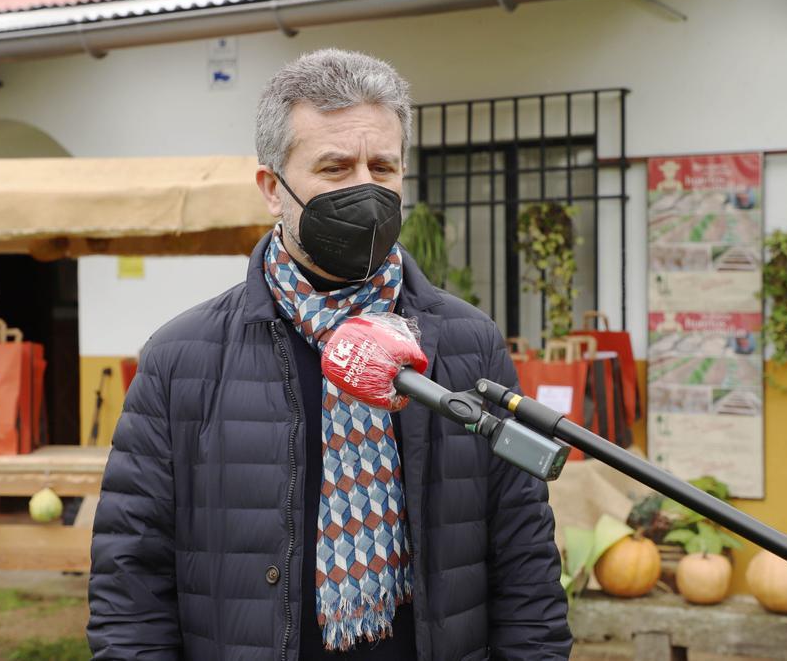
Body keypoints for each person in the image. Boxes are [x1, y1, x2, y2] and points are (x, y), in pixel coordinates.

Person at [86, 48, 571, 660]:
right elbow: (131, 577)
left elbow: (524, 557)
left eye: (384, 167)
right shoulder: (182, 358)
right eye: (336, 168)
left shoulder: (467, 342)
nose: (366, 190)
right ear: (272, 188)